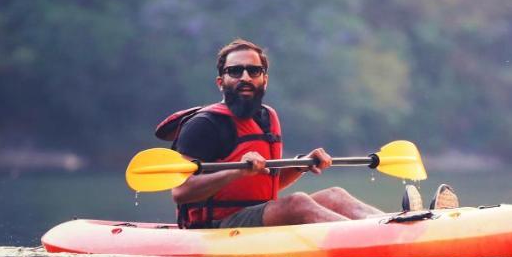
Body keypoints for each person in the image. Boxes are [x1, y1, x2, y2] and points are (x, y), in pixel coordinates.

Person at [160, 39, 385, 229]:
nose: (245, 77)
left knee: (335, 195)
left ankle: (391, 226)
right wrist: (236, 172)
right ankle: (371, 238)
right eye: (235, 71)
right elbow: (181, 192)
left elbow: (266, 185)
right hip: (215, 226)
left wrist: (300, 165)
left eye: (254, 71)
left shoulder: (268, 118)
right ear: (221, 82)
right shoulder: (203, 125)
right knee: (297, 203)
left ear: (264, 79)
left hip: (258, 216)